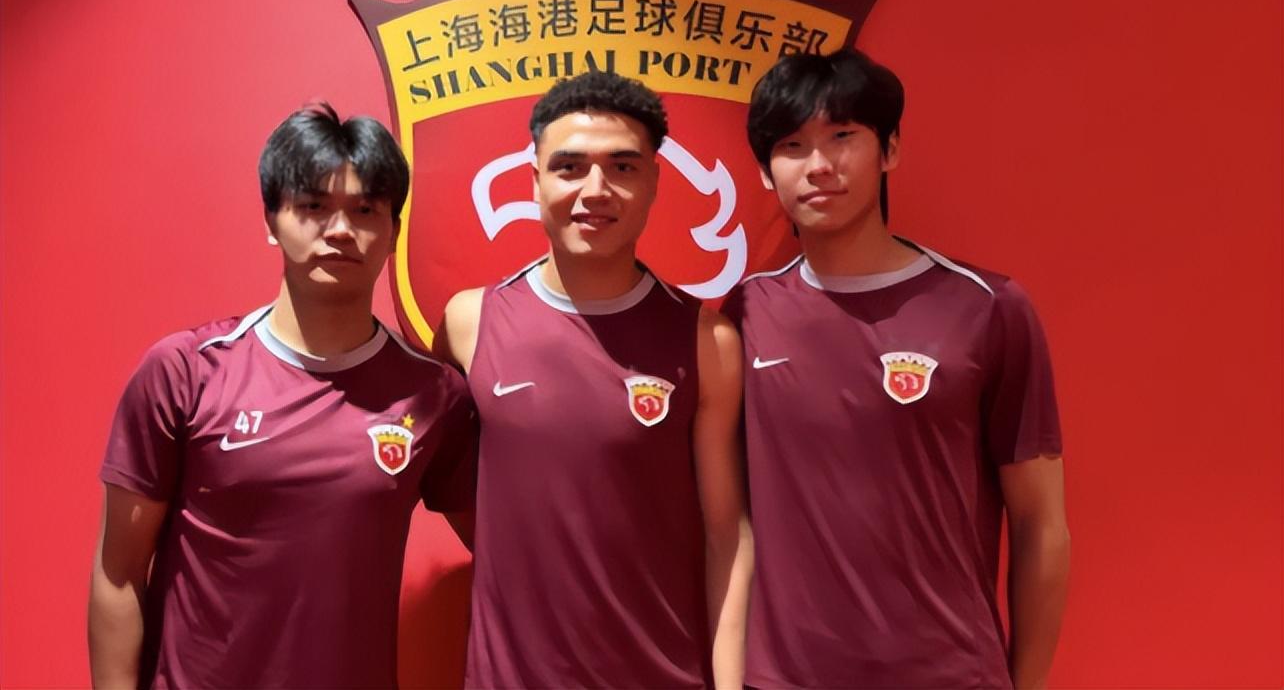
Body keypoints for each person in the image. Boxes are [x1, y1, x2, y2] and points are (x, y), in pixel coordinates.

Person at [88, 103, 477, 689]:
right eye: (313, 206)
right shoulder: (187, 371)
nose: (340, 230)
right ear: (272, 220)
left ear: (394, 231)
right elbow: (118, 574)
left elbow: (510, 552)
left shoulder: (433, 395)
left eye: (365, 210)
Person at [726, 49, 1071, 689]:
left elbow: (1041, 524)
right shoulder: (744, 315)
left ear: (889, 150)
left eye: (843, 136)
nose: (819, 165)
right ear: (766, 173)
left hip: (948, 675)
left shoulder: (987, 307)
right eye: (792, 146)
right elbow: (727, 521)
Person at [433, 71, 752, 689]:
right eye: (570, 168)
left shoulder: (707, 342)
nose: (595, 190)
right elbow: (452, 487)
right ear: (535, 180)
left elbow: (727, 536)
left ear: (654, 181)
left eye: (622, 168)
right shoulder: (470, 322)